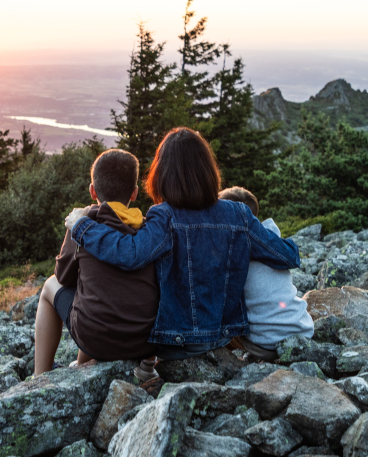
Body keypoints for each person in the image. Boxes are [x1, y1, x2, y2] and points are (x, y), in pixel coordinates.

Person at [64, 127, 300, 361]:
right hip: (221, 337)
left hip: (175, 343)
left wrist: (81, 226)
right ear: (208, 171)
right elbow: (289, 256)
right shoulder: (239, 214)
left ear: (162, 174)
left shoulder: (163, 216)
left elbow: (130, 254)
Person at [33, 149, 159, 378]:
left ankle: (40, 376)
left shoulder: (83, 223)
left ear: (92, 191)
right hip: (145, 340)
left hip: (96, 340)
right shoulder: (147, 228)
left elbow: (63, 276)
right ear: (134, 193)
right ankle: (91, 365)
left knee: (50, 286)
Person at [217, 187, 313, 361]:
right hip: (303, 331)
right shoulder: (273, 244)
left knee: (216, 324)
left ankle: (227, 365)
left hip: (267, 345)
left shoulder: (231, 253)